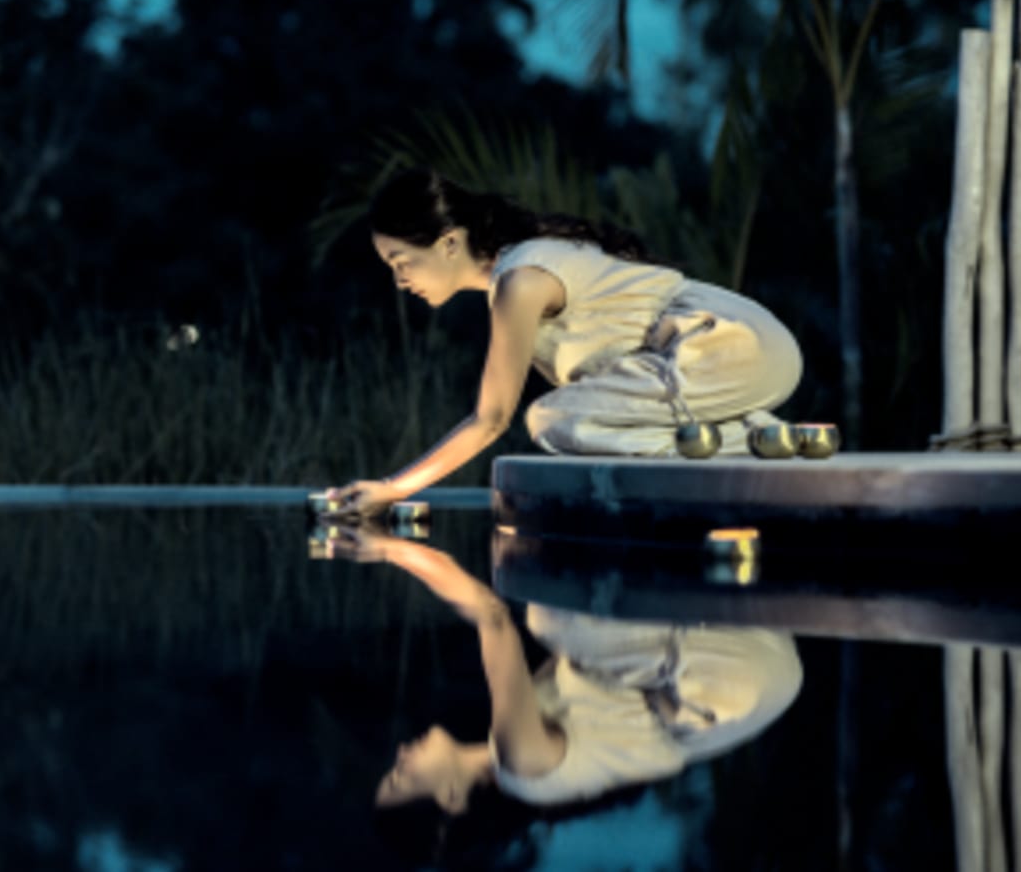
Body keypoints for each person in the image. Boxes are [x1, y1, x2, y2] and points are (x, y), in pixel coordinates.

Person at [325, 167, 804, 519]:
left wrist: (393, 487)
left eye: (401, 261)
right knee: (573, 413)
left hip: (725, 344)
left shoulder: (521, 280)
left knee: (553, 417)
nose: (399, 279)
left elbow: (492, 419)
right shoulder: (522, 265)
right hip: (748, 349)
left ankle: (749, 439)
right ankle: (763, 433)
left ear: (449, 243)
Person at [323, 523, 803, 814]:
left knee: (561, 614)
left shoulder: (525, 766)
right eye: (401, 777)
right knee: (548, 618)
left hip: (748, 671)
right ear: (451, 798)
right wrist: (400, 551)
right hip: (736, 682)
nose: (402, 754)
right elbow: (493, 620)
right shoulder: (521, 766)